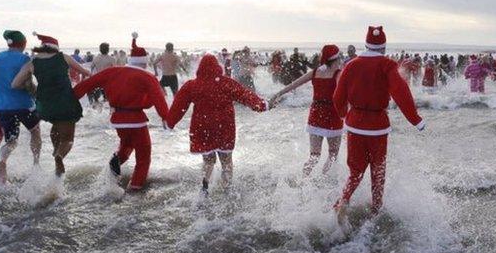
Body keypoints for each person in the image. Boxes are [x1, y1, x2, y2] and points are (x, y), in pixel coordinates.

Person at [332, 26, 424, 224]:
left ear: (366, 44)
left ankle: (344, 200)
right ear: (383, 47)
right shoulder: (387, 64)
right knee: (378, 169)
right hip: (377, 127)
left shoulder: (352, 64)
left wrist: (343, 115)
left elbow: (338, 95)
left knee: (355, 171)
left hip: (354, 125)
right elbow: (401, 91)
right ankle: (375, 211)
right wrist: (415, 119)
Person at [72, 33, 169, 192]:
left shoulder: (113, 72)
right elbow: (157, 99)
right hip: (136, 120)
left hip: (118, 120)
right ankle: (135, 189)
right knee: (143, 156)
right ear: (144, 63)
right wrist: (166, 118)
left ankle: (111, 172)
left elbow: (89, 83)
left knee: (126, 145)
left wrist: (71, 97)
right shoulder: (147, 76)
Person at [167, 54, 269, 193]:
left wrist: (170, 122)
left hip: (202, 128)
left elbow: (179, 106)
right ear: (217, 67)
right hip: (224, 128)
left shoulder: (192, 85)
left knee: (208, 161)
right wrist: (262, 105)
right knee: (226, 160)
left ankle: (205, 185)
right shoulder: (226, 83)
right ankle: (227, 188)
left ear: (200, 68)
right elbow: (245, 95)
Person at [12, 33, 90, 177]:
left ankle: (56, 159)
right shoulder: (63, 57)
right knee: (68, 139)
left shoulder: (32, 63)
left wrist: (32, 87)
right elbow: (85, 72)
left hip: (45, 105)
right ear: (55, 48)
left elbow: (15, 84)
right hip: (65, 102)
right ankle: (59, 156)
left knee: (56, 126)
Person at [269, 45, 344, 179]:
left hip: (316, 115)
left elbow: (294, 84)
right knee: (332, 154)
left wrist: (277, 94)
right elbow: (345, 94)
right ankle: (324, 180)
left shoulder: (315, 72)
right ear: (336, 59)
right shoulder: (338, 74)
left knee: (314, 156)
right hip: (333, 116)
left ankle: (303, 181)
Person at [0, 30, 41, 182]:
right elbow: (29, 84)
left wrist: (1, 95)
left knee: (11, 141)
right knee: (35, 131)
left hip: (2, 106)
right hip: (24, 104)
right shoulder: (26, 59)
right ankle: (36, 163)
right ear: (23, 44)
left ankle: (3, 161)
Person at [89, 42, 115, 107]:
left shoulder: (96, 58)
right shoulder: (112, 59)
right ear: (108, 50)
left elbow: (91, 68)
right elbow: (115, 71)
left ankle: (95, 110)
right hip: (108, 81)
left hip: (98, 80)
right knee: (107, 100)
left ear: (100, 49)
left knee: (96, 99)